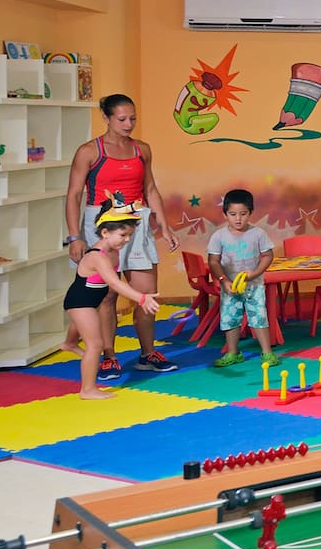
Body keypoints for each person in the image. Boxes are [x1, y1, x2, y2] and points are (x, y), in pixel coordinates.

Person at [63, 95, 181, 380]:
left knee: (146, 293)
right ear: (106, 117)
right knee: (106, 296)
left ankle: (147, 353)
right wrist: (75, 236)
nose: (129, 124)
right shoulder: (89, 151)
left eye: (133, 118)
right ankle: (109, 357)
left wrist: (164, 225)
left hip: (137, 222)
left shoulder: (142, 150)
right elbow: (74, 194)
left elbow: (150, 188)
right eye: (122, 119)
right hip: (100, 223)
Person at [62, 207, 161, 400]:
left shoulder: (113, 250)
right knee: (95, 344)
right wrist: (141, 298)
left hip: (92, 300)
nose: (127, 240)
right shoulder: (98, 256)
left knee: (84, 328)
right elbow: (114, 283)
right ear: (105, 233)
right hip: (80, 302)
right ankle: (87, 389)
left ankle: (69, 343)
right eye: (123, 235)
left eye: (130, 235)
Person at [205, 189, 277, 368]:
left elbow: (267, 255)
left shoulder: (258, 233)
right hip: (229, 286)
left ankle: (267, 353)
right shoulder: (219, 236)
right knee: (230, 319)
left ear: (251, 213)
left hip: (254, 285)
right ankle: (233, 353)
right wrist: (224, 280)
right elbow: (213, 261)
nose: (238, 219)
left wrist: (255, 273)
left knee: (259, 317)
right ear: (225, 214)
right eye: (233, 214)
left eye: (243, 214)